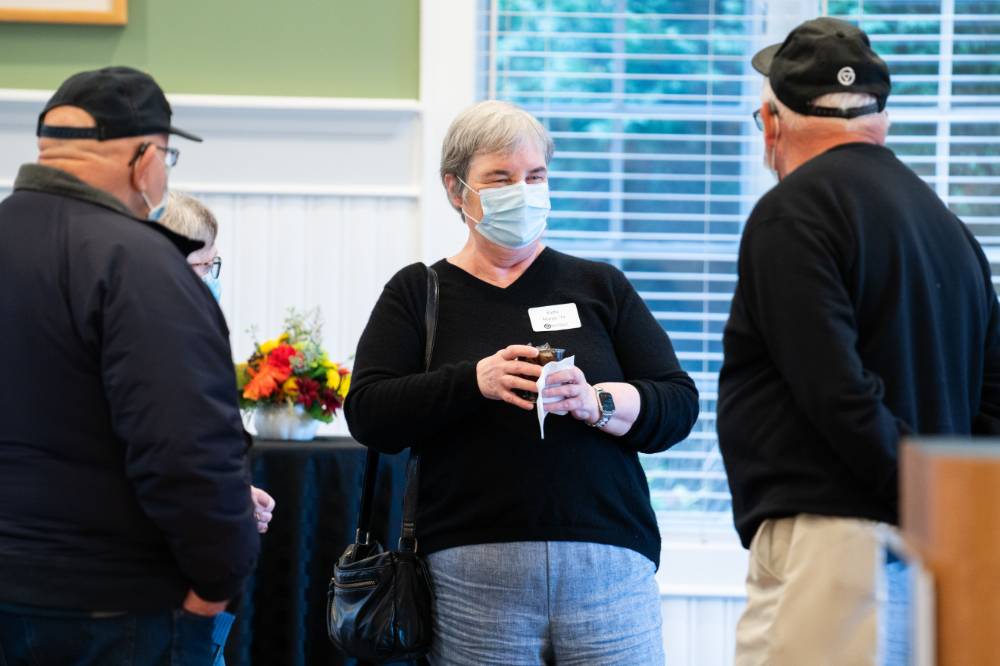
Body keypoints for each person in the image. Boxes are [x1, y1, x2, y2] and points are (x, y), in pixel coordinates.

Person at [345, 100, 699, 665]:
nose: (523, 191)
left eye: (535, 176)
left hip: (609, 566)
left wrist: (596, 402)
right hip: (472, 576)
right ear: (456, 190)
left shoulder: (600, 286)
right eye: (501, 178)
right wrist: (473, 382)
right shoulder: (418, 293)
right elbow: (369, 413)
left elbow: (678, 403)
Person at [717, 18, 1000, 665]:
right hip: (934, 554)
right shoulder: (950, 229)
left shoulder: (791, 213)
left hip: (832, 544)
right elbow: (993, 398)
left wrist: (913, 495)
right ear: (881, 120)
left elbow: (836, 392)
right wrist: (947, 510)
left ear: (772, 123)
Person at [0, 66, 260, 664]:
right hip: (106, 605)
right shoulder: (138, 263)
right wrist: (216, 584)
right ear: (145, 159)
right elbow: (186, 447)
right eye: (168, 156)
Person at [158, 191, 276, 535]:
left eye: (215, 264)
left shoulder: (195, 328)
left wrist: (237, 493)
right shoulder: (151, 337)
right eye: (204, 266)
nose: (212, 277)